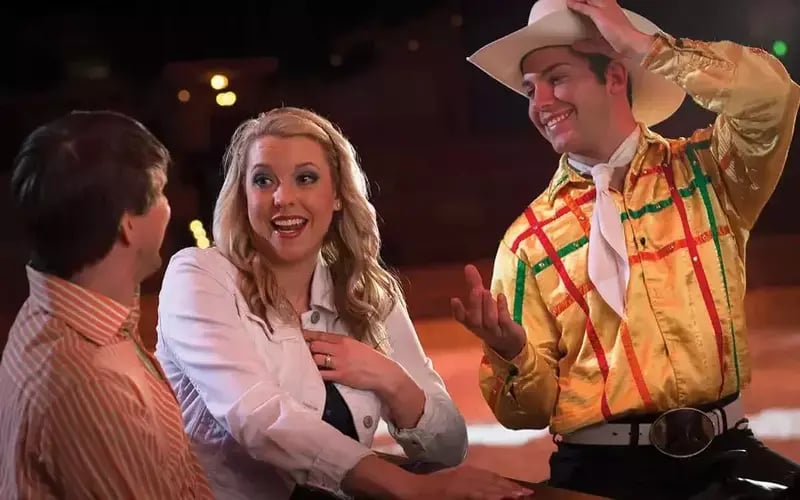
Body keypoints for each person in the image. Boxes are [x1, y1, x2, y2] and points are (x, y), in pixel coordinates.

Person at [452, 0, 800, 498]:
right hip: (600, 474)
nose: (540, 101)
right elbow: (524, 413)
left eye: (557, 78)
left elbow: (773, 96)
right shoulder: (527, 242)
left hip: (727, 456)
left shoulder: (708, 173)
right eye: (531, 89)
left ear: (615, 76)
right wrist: (512, 353)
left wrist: (647, 47)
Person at [154, 106, 534, 500]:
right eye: (263, 180)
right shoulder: (199, 276)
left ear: (336, 196)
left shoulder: (367, 293)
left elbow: (449, 448)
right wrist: (409, 488)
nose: (283, 198)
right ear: (243, 196)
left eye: (306, 179)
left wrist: (389, 379)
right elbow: (259, 419)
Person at [0, 110, 213, 499]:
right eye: (161, 192)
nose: (170, 206)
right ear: (126, 224)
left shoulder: (67, 311)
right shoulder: (89, 384)